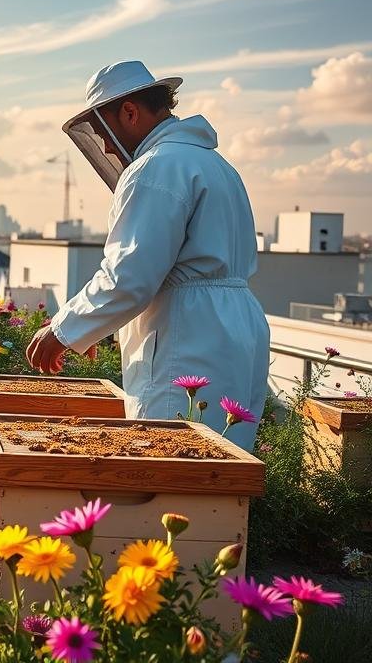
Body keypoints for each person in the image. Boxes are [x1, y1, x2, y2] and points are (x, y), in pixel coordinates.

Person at [25, 61, 269, 448]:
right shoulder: (217, 165)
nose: (105, 146)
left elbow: (129, 276)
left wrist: (63, 330)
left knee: (172, 467)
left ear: (130, 112)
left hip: (188, 337)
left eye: (103, 131)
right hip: (239, 331)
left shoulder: (156, 168)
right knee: (224, 474)